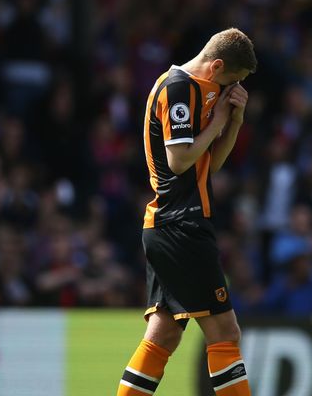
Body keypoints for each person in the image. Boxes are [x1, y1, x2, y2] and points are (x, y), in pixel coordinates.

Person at [116, 28, 257, 396]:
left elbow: (207, 168)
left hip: (169, 225)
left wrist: (234, 122)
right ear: (217, 66)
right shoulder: (179, 88)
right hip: (183, 226)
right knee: (226, 332)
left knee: (161, 336)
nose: (233, 89)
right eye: (233, 80)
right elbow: (179, 161)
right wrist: (218, 121)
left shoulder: (199, 90)